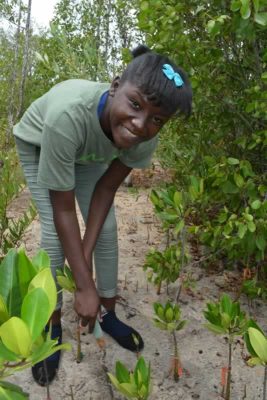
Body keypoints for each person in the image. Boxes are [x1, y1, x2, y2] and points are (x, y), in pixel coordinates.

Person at [13, 44, 192, 386]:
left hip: (85, 154)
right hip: (41, 143)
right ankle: (50, 325)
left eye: (157, 119)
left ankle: (106, 313)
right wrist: (82, 283)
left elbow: (105, 192)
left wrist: (88, 280)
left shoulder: (144, 135)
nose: (141, 124)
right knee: (53, 231)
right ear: (114, 86)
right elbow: (63, 208)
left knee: (107, 228)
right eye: (135, 104)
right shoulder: (68, 115)